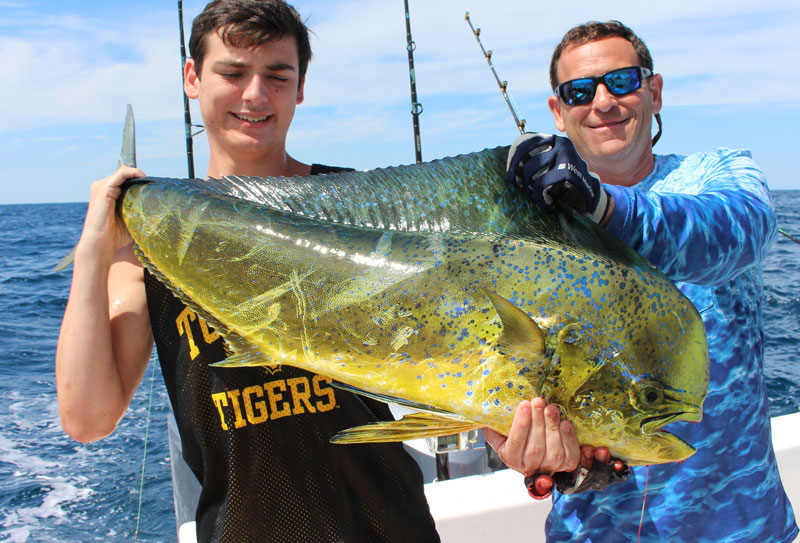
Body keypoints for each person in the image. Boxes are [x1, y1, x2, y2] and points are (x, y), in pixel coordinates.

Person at [57, 1, 449, 541]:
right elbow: (88, 418)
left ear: (300, 88)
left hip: (388, 524)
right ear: (193, 78)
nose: (255, 95)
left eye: (277, 76)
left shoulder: (354, 207)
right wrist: (92, 250)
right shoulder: (150, 238)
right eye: (233, 73)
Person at [505, 20, 798, 542]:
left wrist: (603, 208)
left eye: (622, 81)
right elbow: (501, 378)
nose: (603, 101)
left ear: (654, 91)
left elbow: (738, 230)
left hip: (742, 527)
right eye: (579, 91)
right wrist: (520, 451)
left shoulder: (721, 174)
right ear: (558, 113)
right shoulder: (529, 233)